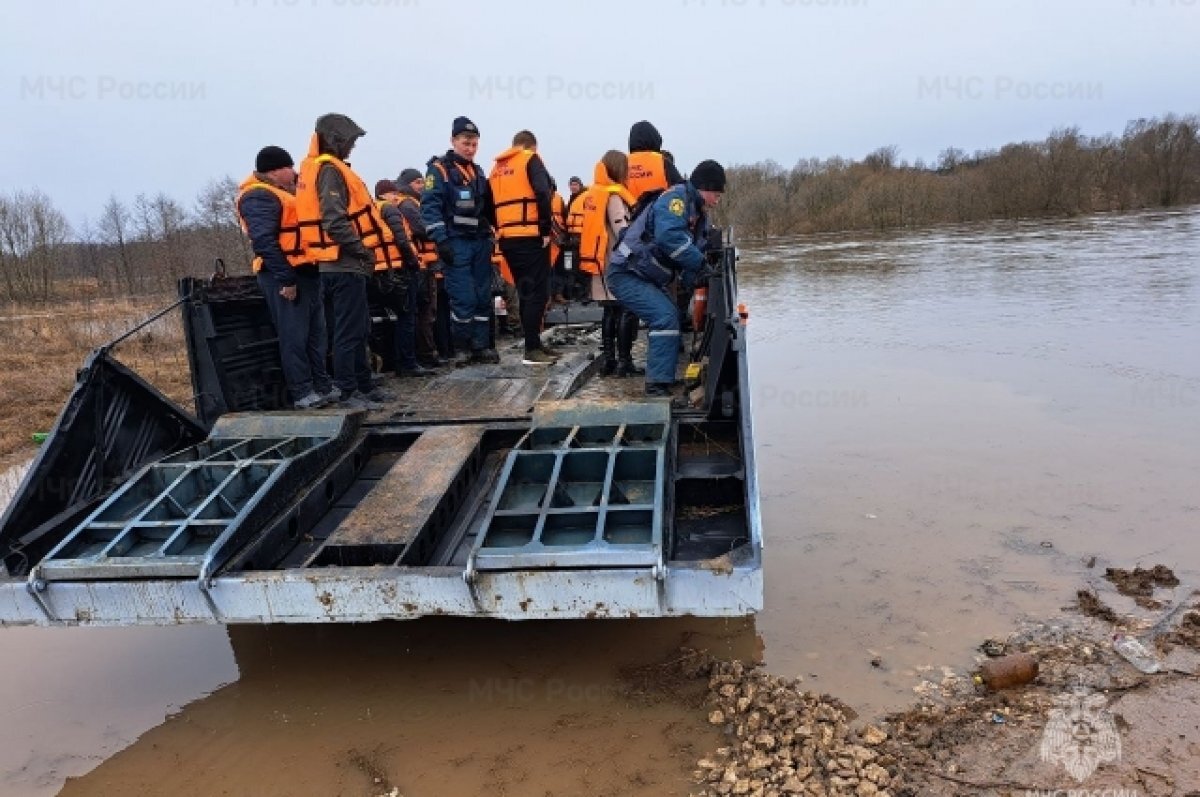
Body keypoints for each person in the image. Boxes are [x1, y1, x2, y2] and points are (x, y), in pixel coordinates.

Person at [295, 113, 396, 410]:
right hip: (342, 264)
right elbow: (334, 221)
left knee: (359, 327)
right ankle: (348, 391)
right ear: (336, 140)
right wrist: (362, 251)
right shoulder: (328, 170)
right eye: (350, 141)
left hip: (346, 264)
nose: (353, 147)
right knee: (348, 331)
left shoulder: (327, 168)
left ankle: (364, 385)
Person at [606, 160, 725, 397]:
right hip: (626, 273)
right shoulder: (677, 201)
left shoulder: (696, 211)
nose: (717, 201)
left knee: (672, 316)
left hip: (642, 274)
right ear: (705, 188)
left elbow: (689, 253)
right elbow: (670, 238)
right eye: (717, 194)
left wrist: (700, 277)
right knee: (664, 317)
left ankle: (663, 379)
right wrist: (701, 265)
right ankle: (656, 386)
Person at [235, 145, 332, 410]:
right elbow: (264, 241)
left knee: (316, 335)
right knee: (294, 337)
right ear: (276, 170)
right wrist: (286, 279)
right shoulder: (258, 196)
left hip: (308, 272)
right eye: (290, 167)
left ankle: (322, 386)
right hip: (284, 275)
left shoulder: (285, 193)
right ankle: (302, 392)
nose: (295, 172)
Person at [421, 117, 500, 365]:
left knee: (482, 297)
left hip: (479, 242)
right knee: (463, 298)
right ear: (454, 141)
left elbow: (486, 207)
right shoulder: (439, 171)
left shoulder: (477, 172)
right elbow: (430, 208)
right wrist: (441, 241)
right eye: (466, 143)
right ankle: (462, 348)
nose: (470, 148)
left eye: (474, 144)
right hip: (456, 243)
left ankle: (481, 346)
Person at [488, 129, 557, 365]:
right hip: (530, 236)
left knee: (524, 291)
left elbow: (488, 203)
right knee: (537, 293)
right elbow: (542, 192)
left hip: (508, 238)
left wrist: (499, 227)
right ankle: (532, 349)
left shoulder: (496, 169)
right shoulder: (530, 159)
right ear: (532, 146)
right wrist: (545, 229)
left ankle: (534, 343)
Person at [566, 151, 639, 376]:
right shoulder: (614, 197)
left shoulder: (592, 195)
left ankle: (609, 361)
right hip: (616, 263)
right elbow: (622, 231)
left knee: (608, 313)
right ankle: (624, 362)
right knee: (626, 311)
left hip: (597, 263)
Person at [374, 179, 433, 377]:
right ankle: (407, 363)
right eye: (393, 194)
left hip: (380, 271)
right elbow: (401, 238)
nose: (396, 197)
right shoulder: (390, 210)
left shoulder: (373, 210)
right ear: (383, 195)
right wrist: (413, 263)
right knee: (407, 317)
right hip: (399, 271)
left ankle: (394, 361)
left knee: (389, 320)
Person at [395, 167, 446, 367]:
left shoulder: (413, 203)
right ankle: (426, 354)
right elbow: (422, 229)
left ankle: (427, 353)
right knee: (425, 311)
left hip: (426, 264)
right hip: (421, 266)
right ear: (408, 185)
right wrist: (439, 229)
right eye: (417, 182)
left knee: (427, 312)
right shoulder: (408, 204)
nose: (422, 186)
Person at [626, 121, 685, 201]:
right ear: (655, 139)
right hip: (659, 211)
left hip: (626, 211)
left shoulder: (622, 163)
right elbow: (683, 190)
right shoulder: (663, 162)